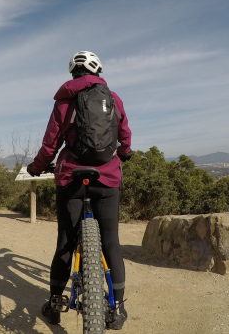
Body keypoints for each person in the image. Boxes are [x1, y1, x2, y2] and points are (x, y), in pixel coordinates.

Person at [27, 51, 132, 330]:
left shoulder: (65, 101)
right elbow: (125, 136)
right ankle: (117, 309)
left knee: (65, 240)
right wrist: (126, 153)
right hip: (107, 177)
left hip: (71, 177)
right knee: (110, 240)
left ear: (73, 73)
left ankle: (54, 305)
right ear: (97, 71)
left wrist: (36, 167)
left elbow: (51, 144)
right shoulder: (114, 99)